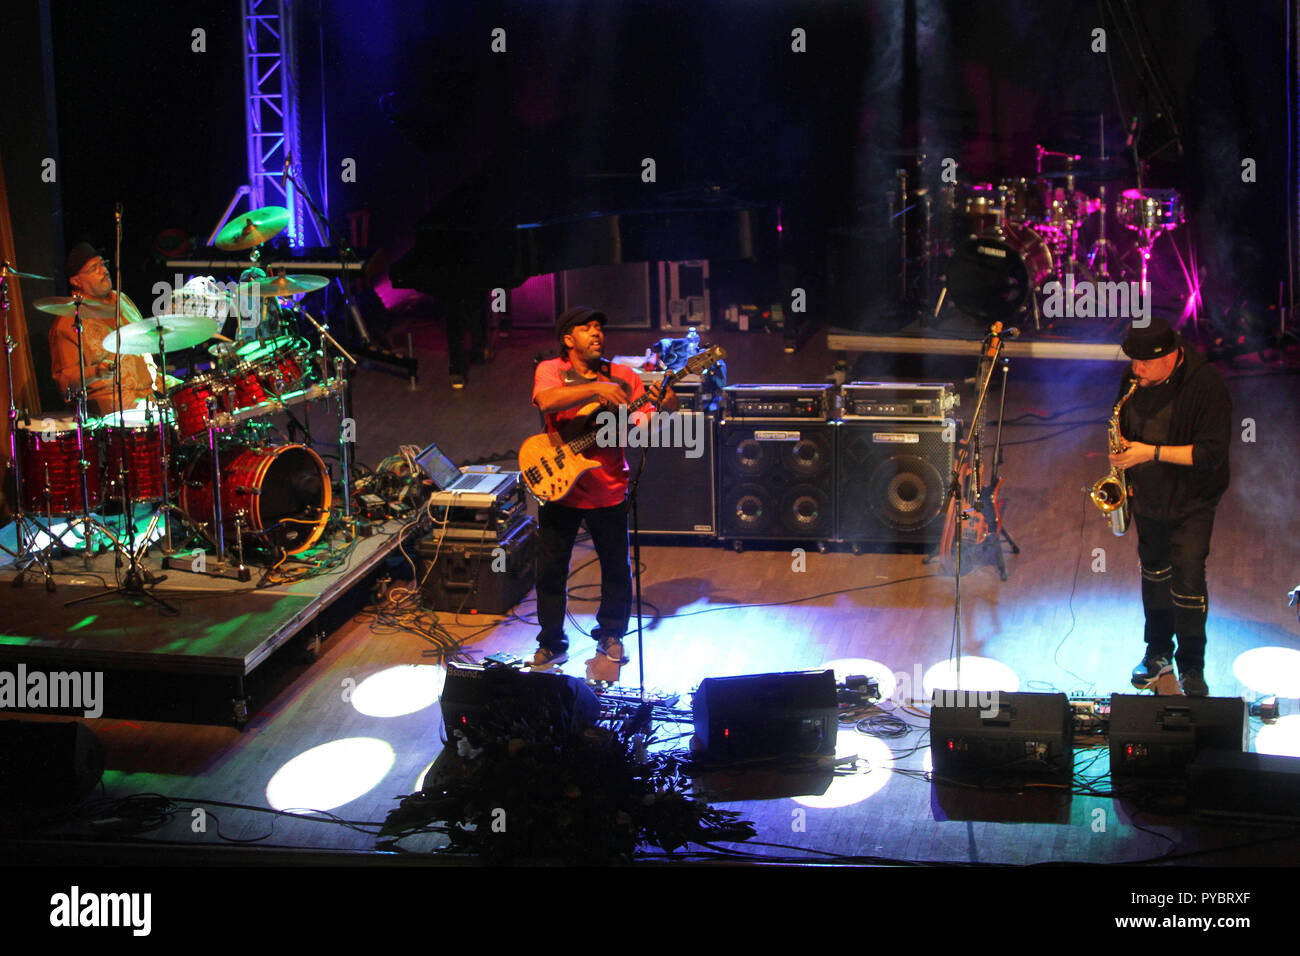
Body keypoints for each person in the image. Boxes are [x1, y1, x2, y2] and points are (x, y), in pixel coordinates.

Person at [529, 306, 678, 670]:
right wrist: (598, 390)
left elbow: (643, 426)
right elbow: (546, 401)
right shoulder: (551, 370)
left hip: (607, 487)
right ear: (568, 339)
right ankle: (551, 642)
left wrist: (666, 405)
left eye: (599, 327)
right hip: (559, 486)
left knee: (616, 569)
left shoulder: (624, 376)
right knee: (550, 570)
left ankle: (611, 634)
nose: (597, 333)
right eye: (587, 328)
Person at [1111, 316, 1231, 697]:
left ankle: (1192, 666)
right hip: (1148, 497)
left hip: (1193, 499)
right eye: (1133, 361)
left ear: (1171, 356)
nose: (1136, 370)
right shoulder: (1134, 382)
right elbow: (1121, 429)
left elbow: (1211, 454)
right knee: (1154, 576)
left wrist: (1151, 452)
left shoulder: (1206, 386)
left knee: (1189, 580)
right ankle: (1158, 651)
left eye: (1144, 363)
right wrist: (1123, 472)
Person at [49, 243, 162, 416]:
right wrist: (96, 372)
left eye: (103, 264)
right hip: (112, 411)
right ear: (76, 281)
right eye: (94, 268)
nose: (103, 271)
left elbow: (145, 351)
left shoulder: (122, 300)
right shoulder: (68, 322)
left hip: (149, 398)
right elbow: (66, 385)